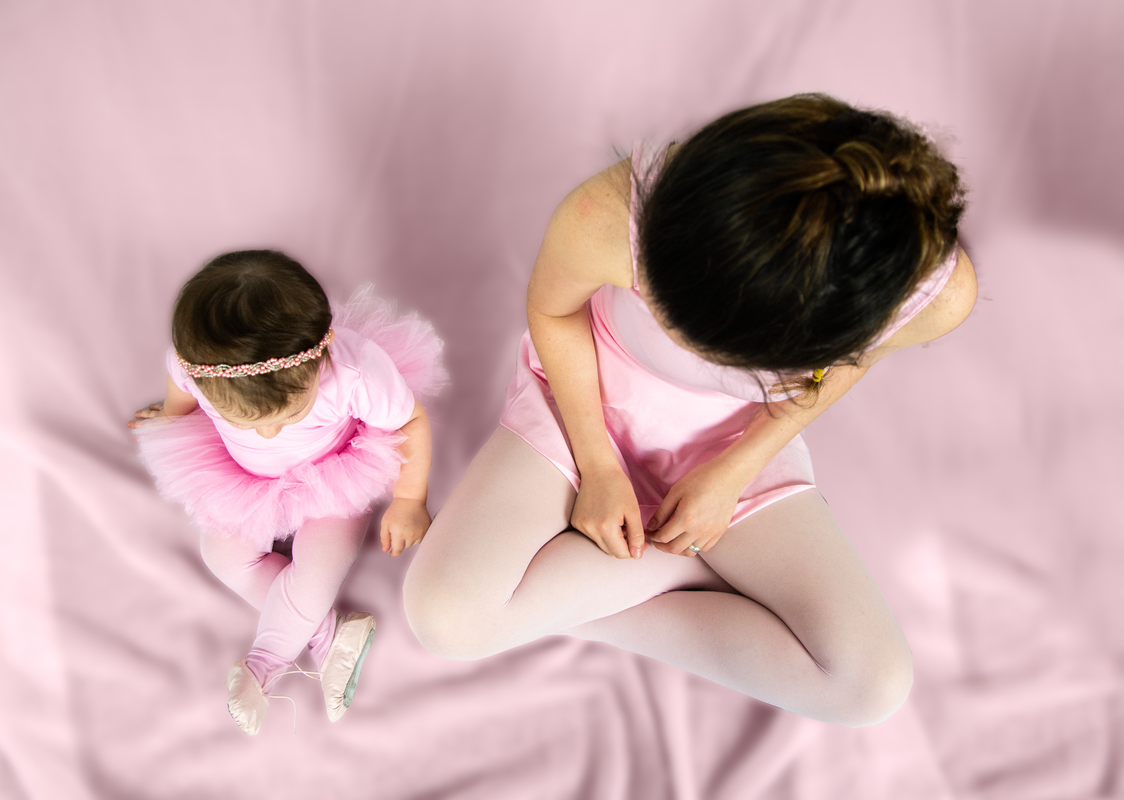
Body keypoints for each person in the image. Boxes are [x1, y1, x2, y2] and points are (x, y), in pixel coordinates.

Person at [403, 94, 976, 727]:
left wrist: (731, 473)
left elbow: (848, 363)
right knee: (442, 620)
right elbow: (554, 311)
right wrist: (597, 463)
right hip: (589, 398)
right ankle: (690, 572)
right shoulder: (614, 209)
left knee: (871, 686)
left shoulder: (933, 297)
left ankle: (644, 578)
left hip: (738, 442)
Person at [129, 250, 445, 734]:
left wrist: (409, 499)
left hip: (331, 477)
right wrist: (169, 420)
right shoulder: (194, 370)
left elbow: (412, 420)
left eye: (289, 415)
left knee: (318, 567)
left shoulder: (354, 374)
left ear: (323, 356)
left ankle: (262, 667)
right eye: (249, 421)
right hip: (245, 480)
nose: (273, 432)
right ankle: (329, 636)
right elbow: (181, 401)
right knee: (222, 556)